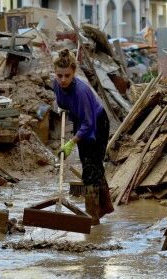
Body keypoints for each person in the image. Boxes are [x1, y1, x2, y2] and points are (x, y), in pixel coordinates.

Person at [52, 49, 114, 224]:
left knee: (90, 170)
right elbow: (61, 101)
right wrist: (63, 107)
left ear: (74, 73)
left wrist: (71, 142)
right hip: (81, 121)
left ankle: (92, 217)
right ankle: (105, 207)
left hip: (97, 123)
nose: (63, 80)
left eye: (67, 76)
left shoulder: (81, 91)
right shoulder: (56, 84)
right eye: (59, 75)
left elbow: (88, 124)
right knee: (91, 165)